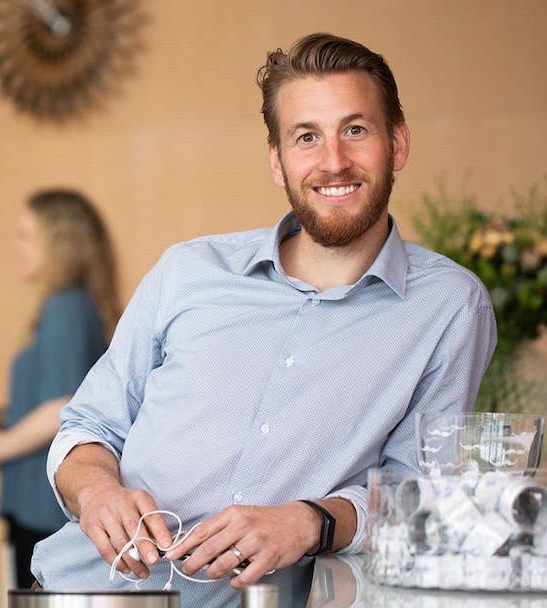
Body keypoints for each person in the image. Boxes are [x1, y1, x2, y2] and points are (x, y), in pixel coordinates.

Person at [30, 32, 497, 606]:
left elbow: (416, 496)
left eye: (356, 130)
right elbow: (88, 427)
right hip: (78, 592)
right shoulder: (188, 271)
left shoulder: (449, 306)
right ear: (278, 161)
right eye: (307, 137)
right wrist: (97, 490)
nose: (333, 162)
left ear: (397, 144)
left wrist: (309, 522)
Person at [0, 188, 122, 589]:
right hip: (31, 508)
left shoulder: (67, 307)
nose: (16, 246)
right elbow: (53, 404)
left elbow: (61, 408)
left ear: (58, 242)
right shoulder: (68, 307)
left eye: (25, 235)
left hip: (44, 513)